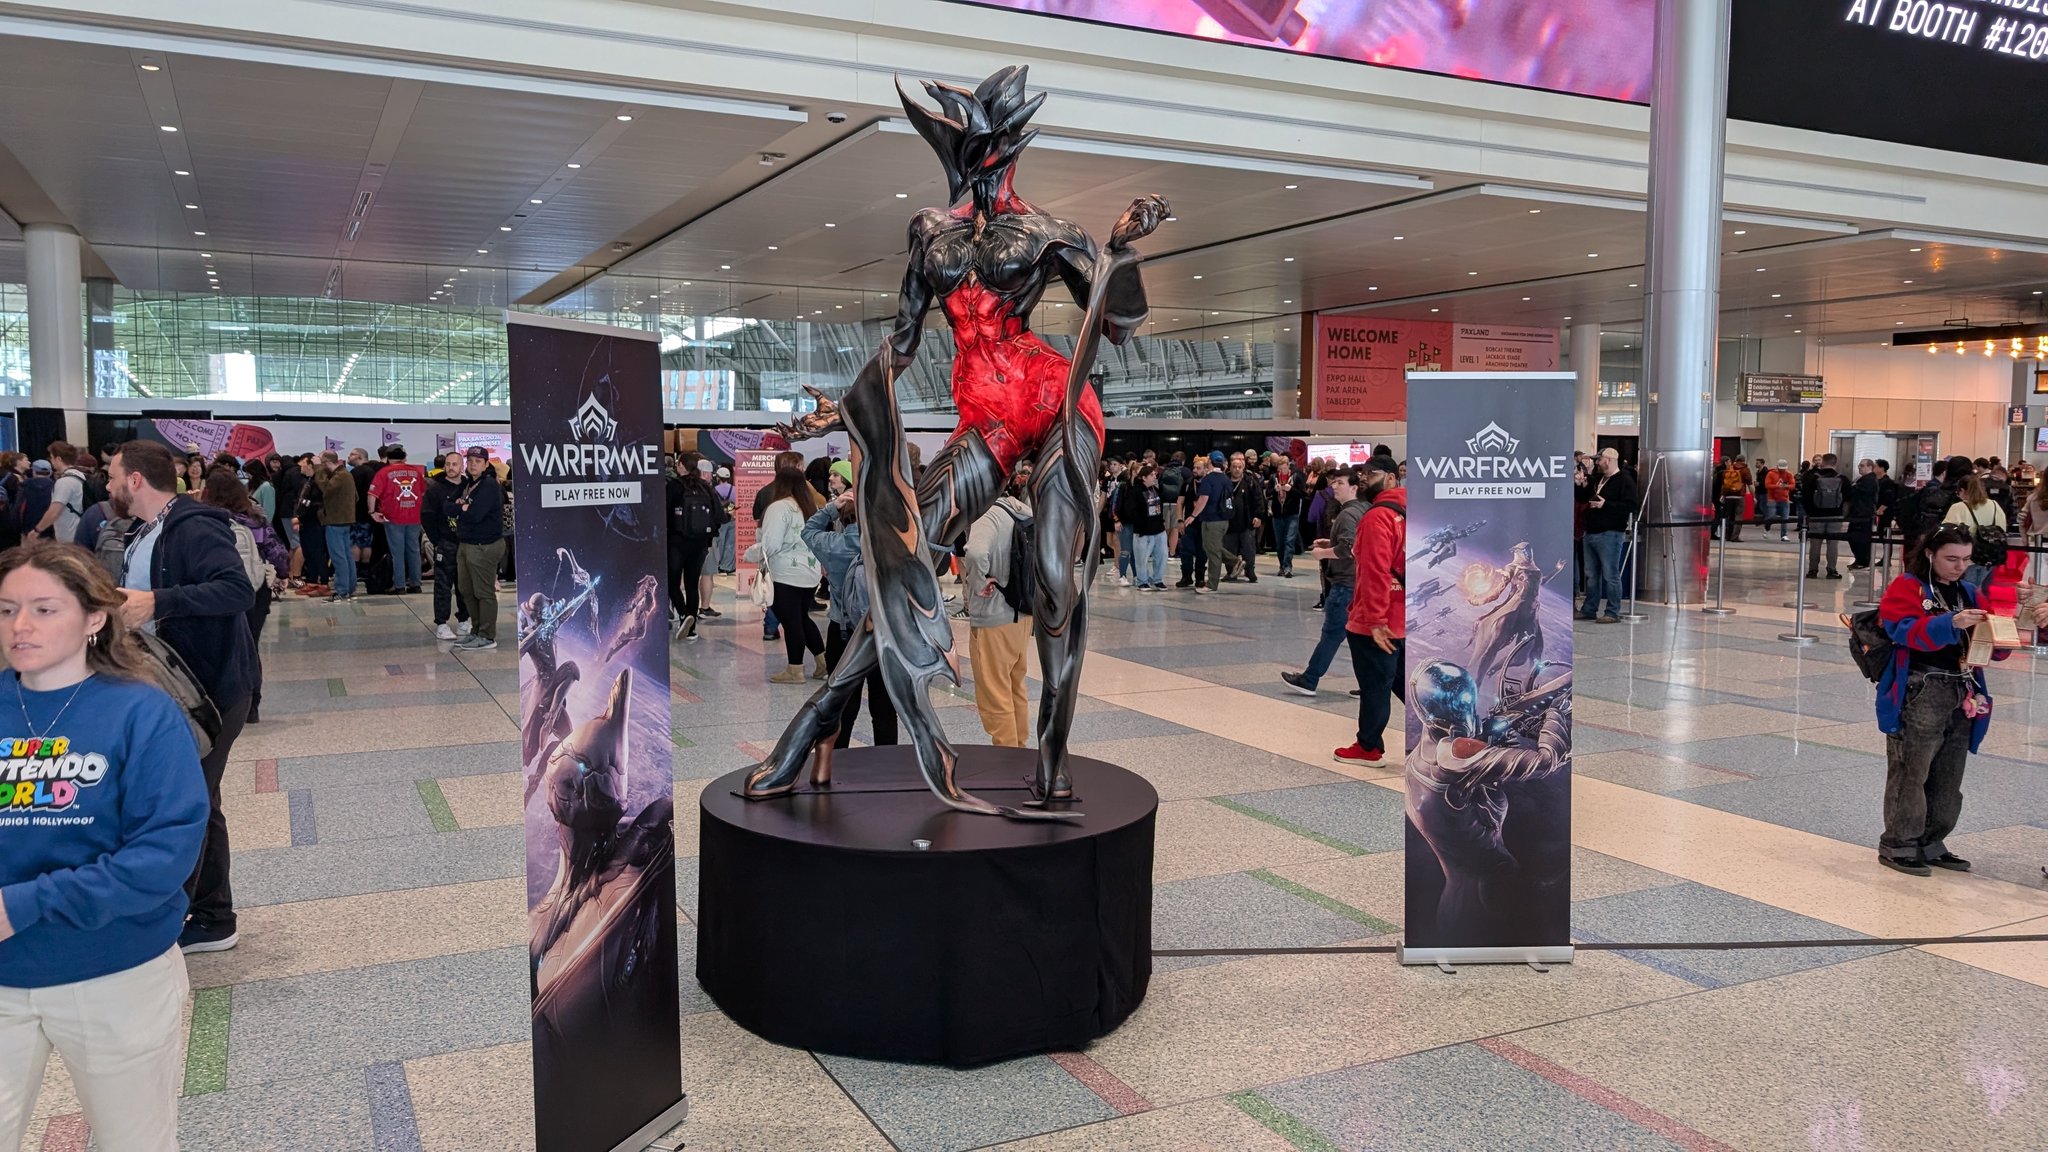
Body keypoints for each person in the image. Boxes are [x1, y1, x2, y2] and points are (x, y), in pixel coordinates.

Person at [0, 543, 209, 1152]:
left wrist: (22, 905)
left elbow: (162, 856)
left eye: (44, 609)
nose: (20, 626)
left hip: (114, 975)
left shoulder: (141, 713)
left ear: (95, 617)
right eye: (8, 609)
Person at [105, 440, 256, 954]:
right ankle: (212, 917)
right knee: (199, 801)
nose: (108, 485)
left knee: (185, 804)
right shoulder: (147, 530)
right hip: (178, 688)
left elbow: (236, 590)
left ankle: (178, 921)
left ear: (135, 480)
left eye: (113, 476)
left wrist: (158, 601)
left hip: (207, 694)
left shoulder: (192, 527)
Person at [1871, 525, 2048, 875]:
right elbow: (1901, 631)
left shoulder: (1968, 591)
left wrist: (2009, 625)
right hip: (1922, 687)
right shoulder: (1908, 586)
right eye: (1951, 559)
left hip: (1963, 689)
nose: (1960, 567)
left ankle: (1932, 841)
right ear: (1930, 554)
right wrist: (1950, 623)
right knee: (1912, 770)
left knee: (1949, 774)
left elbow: (1993, 647)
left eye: (1966, 559)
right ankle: (1899, 844)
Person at [801, 488, 897, 747]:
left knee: (842, 703)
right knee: (884, 706)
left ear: (843, 519)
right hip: (882, 632)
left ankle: (840, 758)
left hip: (842, 631)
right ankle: (888, 760)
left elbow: (808, 530)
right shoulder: (889, 547)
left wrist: (833, 506)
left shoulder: (832, 544)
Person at [197, 470, 287, 725]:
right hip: (254, 589)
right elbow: (278, 552)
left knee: (220, 646)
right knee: (250, 645)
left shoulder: (203, 520)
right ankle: (251, 705)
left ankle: (222, 704)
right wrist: (281, 574)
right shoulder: (255, 519)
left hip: (216, 590)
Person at [1333, 458, 1406, 764]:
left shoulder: (1377, 517)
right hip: (1404, 615)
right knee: (1405, 683)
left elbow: (1376, 570)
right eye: (1362, 473)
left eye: (1371, 473)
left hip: (1377, 620)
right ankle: (1447, 731)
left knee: (1375, 685)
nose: (1363, 478)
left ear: (1390, 478)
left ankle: (1368, 747)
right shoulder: (1409, 512)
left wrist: (1375, 619)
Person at [1281, 466, 1366, 696]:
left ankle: (1309, 680)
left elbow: (1349, 548)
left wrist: (1323, 553)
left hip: (1345, 583)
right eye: (1334, 482)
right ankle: (1369, 684)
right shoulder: (1363, 509)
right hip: (1360, 582)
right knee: (1359, 638)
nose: (1334, 487)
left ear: (1354, 488)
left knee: (1332, 634)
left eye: (1340, 483)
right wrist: (1331, 543)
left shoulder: (1347, 514)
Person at [963, 479, 1033, 747]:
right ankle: (1020, 748)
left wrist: (979, 582)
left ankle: (1007, 755)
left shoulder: (987, 514)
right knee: (1016, 686)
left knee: (994, 693)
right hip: (1022, 614)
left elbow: (976, 552)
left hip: (993, 617)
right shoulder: (1021, 510)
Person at [753, 465, 825, 684]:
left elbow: (771, 544)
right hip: (809, 572)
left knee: (791, 621)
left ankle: (795, 670)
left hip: (785, 573)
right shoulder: (810, 507)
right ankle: (823, 662)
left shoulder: (779, 507)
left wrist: (752, 553)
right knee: (801, 617)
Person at [665, 453, 725, 639]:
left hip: (676, 542)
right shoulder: (706, 487)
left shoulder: (674, 486)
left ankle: (684, 614)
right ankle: (691, 630)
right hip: (700, 545)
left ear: (682, 466)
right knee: (692, 584)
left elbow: (664, 513)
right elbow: (719, 516)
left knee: (672, 583)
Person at [452, 446, 505, 650]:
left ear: (486, 464)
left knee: (483, 592)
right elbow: (448, 507)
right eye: (470, 460)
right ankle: (476, 630)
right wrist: (462, 507)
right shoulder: (469, 484)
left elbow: (475, 515)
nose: (473, 464)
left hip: (484, 545)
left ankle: (487, 635)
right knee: (466, 590)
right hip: (467, 543)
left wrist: (462, 508)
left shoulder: (489, 485)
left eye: (478, 461)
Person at [1577, 447, 1636, 622]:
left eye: (1599, 459)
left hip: (1610, 533)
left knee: (1610, 574)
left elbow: (1631, 506)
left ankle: (1612, 611)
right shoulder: (1598, 479)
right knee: (1591, 574)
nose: (1596, 462)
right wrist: (1580, 485)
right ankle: (1589, 608)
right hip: (1591, 531)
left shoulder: (1625, 480)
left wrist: (1606, 505)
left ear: (1608, 460)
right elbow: (1583, 497)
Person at [423, 451, 471, 641]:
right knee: (443, 584)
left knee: (464, 584)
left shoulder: (469, 486)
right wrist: (437, 540)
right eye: (448, 464)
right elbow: (427, 515)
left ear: (461, 466)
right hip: (446, 543)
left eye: (455, 464)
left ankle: (464, 619)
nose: (451, 468)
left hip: (466, 543)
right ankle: (441, 623)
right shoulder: (435, 489)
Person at [368, 445, 427, 595]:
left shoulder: (384, 472)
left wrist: (372, 512)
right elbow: (422, 492)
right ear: (404, 457)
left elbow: (372, 494)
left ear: (388, 458)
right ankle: (416, 584)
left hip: (393, 517)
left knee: (397, 552)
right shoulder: (415, 472)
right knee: (414, 550)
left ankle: (399, 585)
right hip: (414, 517)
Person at [1943, 472, 2009, 592]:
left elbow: (1946, 532)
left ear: (1962, 490)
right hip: (1990, 555)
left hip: (1967, 558)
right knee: (1983, 592)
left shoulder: (1959, 507)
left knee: (1965, 591)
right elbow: (2002, 528)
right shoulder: (1995, 505)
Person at [1118, 463, 1168, 589]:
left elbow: (1160, 507)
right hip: (1143, 531)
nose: (1154, 477)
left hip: (1158, 529)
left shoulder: (1156, 490)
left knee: (1161, 556)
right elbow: (1131, 510)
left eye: (1155, 474)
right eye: (1151, 475)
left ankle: (1157, 579)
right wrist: (1139, 524)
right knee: (1142, 558)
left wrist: (1161, 522)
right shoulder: (1135, 491)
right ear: (1144, 478)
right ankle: (1142, 580)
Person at [1190, 450, 1233, 594]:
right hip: (1223, 519)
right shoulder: (1226, 479)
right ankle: (1235, 562)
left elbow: (1203, 499)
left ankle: (1212, 584)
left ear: (1210, 462)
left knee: (1213, 552)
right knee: (1210, 547)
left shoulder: (1208, 479)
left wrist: (1193, 515)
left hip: (1211, 519)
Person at [1801, 452, 1847, 580]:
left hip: (1816, 516)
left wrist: (1810, 513)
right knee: (1833, 544)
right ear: (1835, 463)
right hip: (1836, 516)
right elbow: (1849, 497)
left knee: (1815, 544)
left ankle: (1813, 570)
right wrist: (1843, 514)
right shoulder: (1842, 478)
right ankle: (1832, 570)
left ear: (1823, 462)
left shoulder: (1812, 478)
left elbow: (1805, 497)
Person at [30, 442, 87, 544]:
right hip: (80, 530)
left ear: (59, 459)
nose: (51, 461)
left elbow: (54, 512)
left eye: (52, 458)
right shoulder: (81, 476)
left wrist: (37, 530)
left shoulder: (64, 482)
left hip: (69, 535)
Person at [1222, 451, 1266, 583]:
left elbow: (1259, 499)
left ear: (1243, 468)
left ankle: (1250, 571)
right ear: (1230, 467)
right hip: (1229, 523)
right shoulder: (1224, 481)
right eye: (1234, 467)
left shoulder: (1250, 481)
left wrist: (1258, 516)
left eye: (1239, 467)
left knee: (1249, 548)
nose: (1237, 469)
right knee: (1229, 547)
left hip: (1247, 521)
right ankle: (1231, 572)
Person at [290, 453, 329, 596]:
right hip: (305, 522)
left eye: (304, 464)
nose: (300, 466)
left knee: (317, 552)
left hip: (315, 522)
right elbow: (300, 501)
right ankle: (311, 580)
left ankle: (324, 583)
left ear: (311, 466)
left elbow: (317, 503)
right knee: (308, 552)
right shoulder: (307, 482)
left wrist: (302, 514)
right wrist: (298, 515)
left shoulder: (318, 483)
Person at [1271, 455, 1304, 577]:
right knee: (1279, 543)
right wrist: (1274, 490)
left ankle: (1287, 566)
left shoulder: (1296, 477)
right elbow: (1267, 493)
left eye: (1284, 468)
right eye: (1280, 469)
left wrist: (1292, 489)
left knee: (1289, 540)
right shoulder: (1274, 477)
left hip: (1292, 513)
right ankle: (1282, 565)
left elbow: (1303, 494)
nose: (1282, 471)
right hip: (1277, 514)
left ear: (1288, 466)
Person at [1846, 458, 1881, 571]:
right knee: (1853, 537)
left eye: (1862, 465)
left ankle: (1863, 560)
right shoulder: (1861, 479)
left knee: (1860, 538)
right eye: (1859, 466)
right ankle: (1859, 559)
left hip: (1863, 514)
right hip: (1858, 513)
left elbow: (1857, 492)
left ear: (1870, 467)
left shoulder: (1869, 480)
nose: (1859, 468)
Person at [1712, 455, 1748, 542]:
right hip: (1725, 496)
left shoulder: (1717, 470)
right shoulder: (1724, 471)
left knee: (1726, 515)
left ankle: (1726, 534)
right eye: (1729, 462)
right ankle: (1730, 535)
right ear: (1726, 462)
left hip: (1723, 496)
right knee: (1724, 515)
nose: (1730, 463)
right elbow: (1721, 485)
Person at [713, 465, 737, 576]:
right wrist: (730, 511)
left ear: (718, 477)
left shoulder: (714, 490)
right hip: (732, 518)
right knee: (730, 544)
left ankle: (718, 565)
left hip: (720, 520)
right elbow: (735, 504)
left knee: (719, 542)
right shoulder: (734, 489)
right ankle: (727, 567)